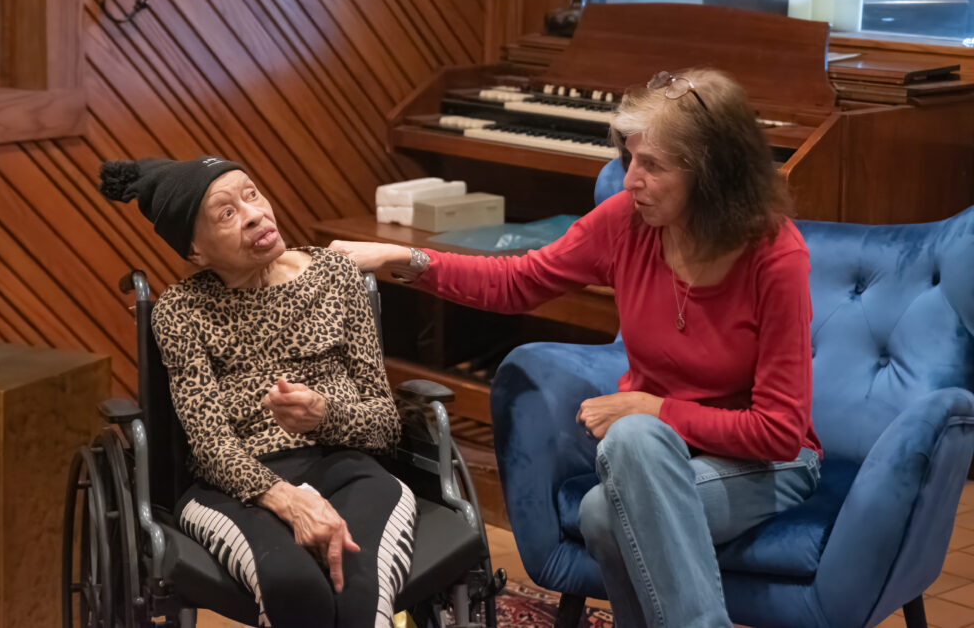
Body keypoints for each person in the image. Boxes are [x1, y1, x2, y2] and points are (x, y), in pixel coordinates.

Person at [330, 68, 823, 627]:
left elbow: (782, 432)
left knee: (605, 504)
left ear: (712, 175)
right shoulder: (626, 223)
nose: (629, 179)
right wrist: (403, 260)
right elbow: (516, 281)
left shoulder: (775, 256)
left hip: (766, 467)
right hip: (655, 457)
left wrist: (656, 409)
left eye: (652, 165)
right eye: (628, 157)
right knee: (626, 462)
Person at [99, 155, 415, 628]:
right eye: (226, 213)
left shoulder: (336, 277)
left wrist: (325, 414)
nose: (253, 214)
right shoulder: (182, 312)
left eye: (252, 195)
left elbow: (386, 427)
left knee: (357, 584)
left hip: (351, 469)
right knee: (295, 588)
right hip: (235, 488)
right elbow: (210, 446)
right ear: (196, 252)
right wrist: (285, 497)